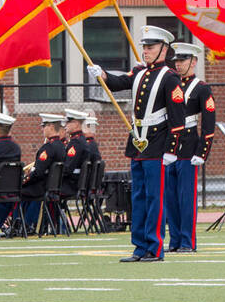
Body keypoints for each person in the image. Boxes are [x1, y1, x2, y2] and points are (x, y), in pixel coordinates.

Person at [88, 24, 186, 262]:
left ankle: (154, 247)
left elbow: (178, 118)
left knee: (155, 198)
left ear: (164, 49)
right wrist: (102, 75)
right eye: (144, 47)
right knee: (139, 197)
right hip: (139, 143)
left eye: (150, 47)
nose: (146, 51)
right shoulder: (140, 72)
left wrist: (172, 149)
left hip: (158, 144)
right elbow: (120, 81)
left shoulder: (170, 78)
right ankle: (140, 246)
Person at [165, 41, 214, 253]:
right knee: (170, 200)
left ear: (193, 62)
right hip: (169, 149)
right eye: (176, 60)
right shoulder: (170, 84)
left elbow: (209, 121)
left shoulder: (201, 88)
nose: (178, 64)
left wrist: (203, 151)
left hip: (188, 149)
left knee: (186, 199)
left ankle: (187, 242)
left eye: (183, 60)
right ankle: (174, 241)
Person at [20, 113, 68, 234]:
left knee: (17, 193)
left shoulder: (48, 148)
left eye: (44, 126)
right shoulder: (62, 147)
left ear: (51, 127)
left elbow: (38, 172)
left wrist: (25, 180)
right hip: (50, 187)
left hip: (41, 188)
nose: (42, 129)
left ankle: (22, 225)